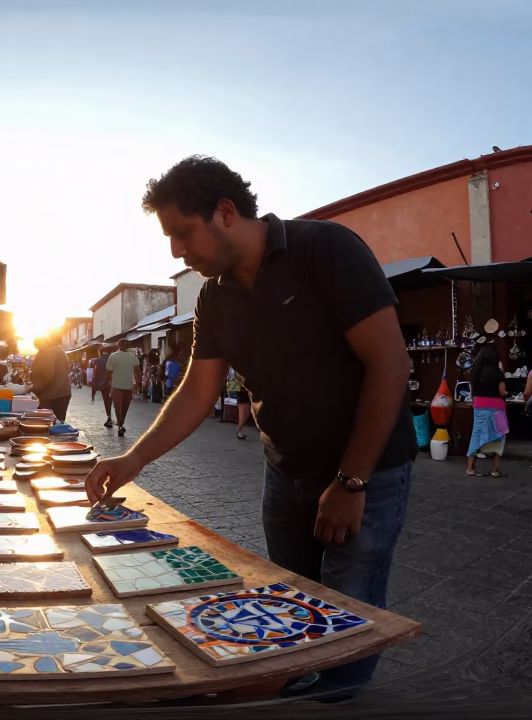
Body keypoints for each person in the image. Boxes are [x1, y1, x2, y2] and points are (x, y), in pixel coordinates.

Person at [85, 156, 415, 700]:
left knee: (347, 618)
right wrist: (132, 460)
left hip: (367, 473)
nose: (176, 251)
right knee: (288, 607)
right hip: (284, 471)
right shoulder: (213, 298)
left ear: (225, 211)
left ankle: (333, 701)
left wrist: (352, 481)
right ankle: (294, 690)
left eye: (182, 233)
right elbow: (197, 389)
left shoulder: (325, 250)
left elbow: (391, 364)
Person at [466, 344, 508, 477]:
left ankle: (470, 468)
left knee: (476, 435)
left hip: (479, 406)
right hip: (496, 408)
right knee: (498, 435)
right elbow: (502, 392)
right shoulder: (498, 372)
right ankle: (494, 470)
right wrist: (507, 393)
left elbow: (473, 391)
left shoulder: (475, 372)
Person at [29, 331, 72, 420]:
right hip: (63, 392)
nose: (37, 348)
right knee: (59, 421)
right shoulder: (59, 350)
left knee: (46, 422)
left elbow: (48, 375)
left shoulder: (48, 352)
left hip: (51, 395)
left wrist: (36, 389)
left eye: (37, 345)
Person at [105, 339, 139, 436]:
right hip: (129, 385)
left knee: (117, 406)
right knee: (125, 407)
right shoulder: (133, 357)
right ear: (127, 346)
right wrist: (139, 384)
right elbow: (138, 372)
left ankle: (120, 425)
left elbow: (108, 371)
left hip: (116, 385)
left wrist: (106, 382)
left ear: (118, 345)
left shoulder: (113, 356)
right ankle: (121, 424)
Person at [221, 367, 252, 440]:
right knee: (243, 411)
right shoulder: (237, 366)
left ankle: (239, 429)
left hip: (241, 388)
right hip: (240, 388)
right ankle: (239, 430)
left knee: (246, 411)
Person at [92, 346, 114, 426]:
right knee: (115, 401)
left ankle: (109, 418)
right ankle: (119, 420)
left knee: (106, 400)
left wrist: (95, 384)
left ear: (99, 353)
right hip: (113, 382)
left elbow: (95, 373)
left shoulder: (97, 361)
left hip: (103, 383)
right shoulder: (111, 359)